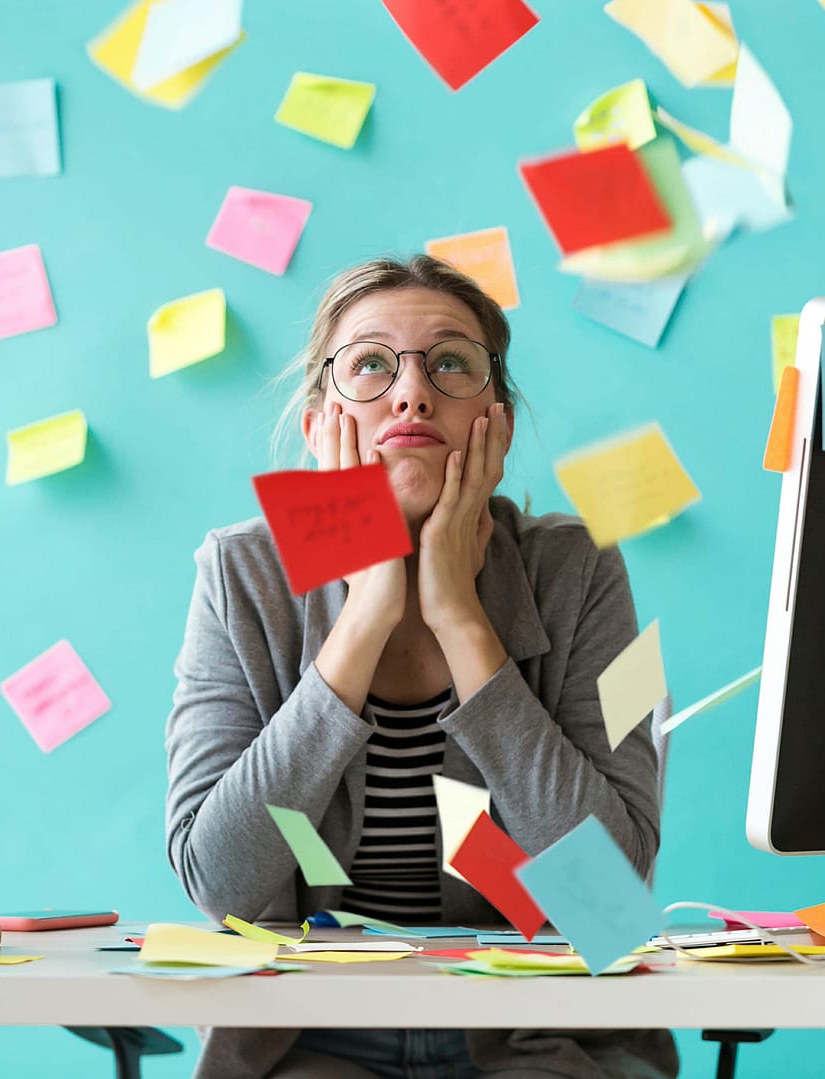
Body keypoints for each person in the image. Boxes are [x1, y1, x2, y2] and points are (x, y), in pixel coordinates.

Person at [165, 254, 678, 1079]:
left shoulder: (578, 570)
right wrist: (365, 612)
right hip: (307, 1035)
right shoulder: (241, 575)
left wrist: (460, 619)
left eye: (449, 362)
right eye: (370, 363)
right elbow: (218, 880)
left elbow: (607, 892)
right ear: (318, 423)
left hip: (539, 1030)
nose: (410, 392)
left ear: (499, 424)